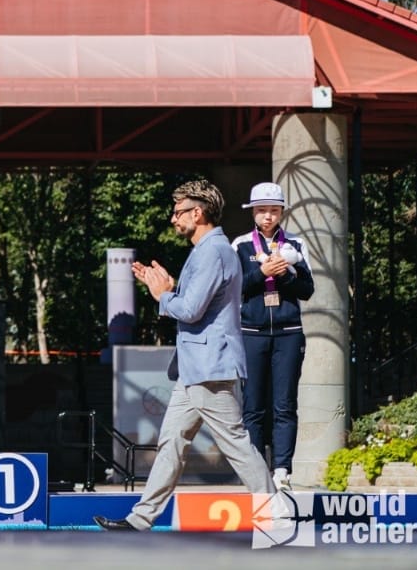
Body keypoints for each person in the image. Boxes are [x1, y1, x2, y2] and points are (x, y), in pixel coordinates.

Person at [95, 179, 274, 531]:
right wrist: (167, 288)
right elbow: (199, 302)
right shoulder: (209, 250)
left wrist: (162, 294)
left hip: (210, 367)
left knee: (236, 444)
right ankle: (140, 519)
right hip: (196, 368)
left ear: (198, 212)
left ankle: (278, 514)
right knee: (172, 443)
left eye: (178, 213)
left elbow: (190, 310)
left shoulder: (212, 251)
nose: (173, 219)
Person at [232, 181, 315, 491]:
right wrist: (262, 271)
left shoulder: (296, 244)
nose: (268, 216)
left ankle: (282, 471)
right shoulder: (240, 245)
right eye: (262, 211)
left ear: (281, 212)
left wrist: (287, 274)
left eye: (274, 210)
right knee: (252, 406)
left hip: (289, 333)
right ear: (253, 212)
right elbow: (235, 288)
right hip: (251, 332)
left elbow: (307, 290)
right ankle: (255, 473)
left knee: (284, 404)